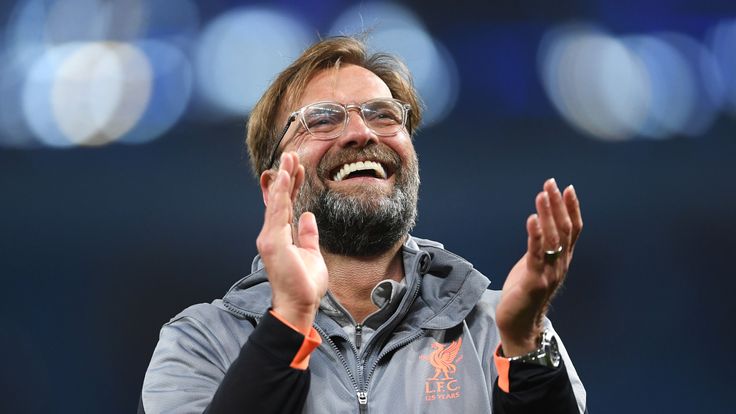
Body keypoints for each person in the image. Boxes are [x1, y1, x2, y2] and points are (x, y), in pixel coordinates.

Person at [140, 36, 587, 414]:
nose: (362, 133)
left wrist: (527, 343)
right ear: (274, 185)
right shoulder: (200, 342)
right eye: (322, 118)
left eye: (383, 114)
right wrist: (288, 324)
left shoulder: (499, 329)